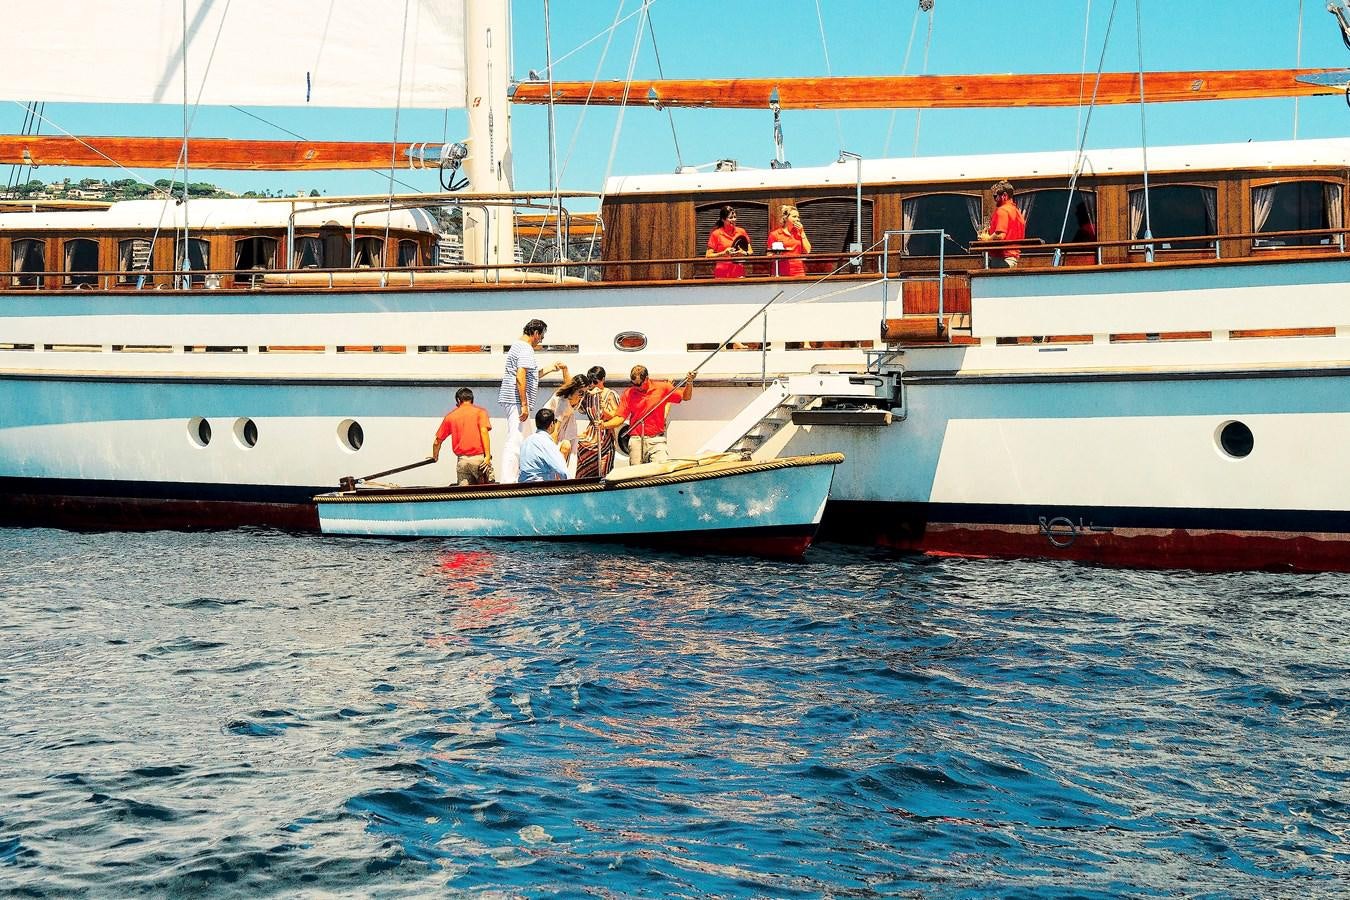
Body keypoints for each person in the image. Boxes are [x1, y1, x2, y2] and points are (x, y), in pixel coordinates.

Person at [496, 318, 566, 482]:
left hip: (513, 398)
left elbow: (529, 376)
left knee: (525, 439)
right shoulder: (526, 348)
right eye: (541, 337)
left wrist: (550, 368)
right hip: (517, 400)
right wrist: (524, 405)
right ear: (535, 333)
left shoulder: (517, 346)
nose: (540, 341)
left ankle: (523, 477)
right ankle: (508, 480)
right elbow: (521, 376)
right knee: (516, 438)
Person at [601, 365, 695, 467]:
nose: (637, 387)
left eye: (639, 384)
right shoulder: (629, 393)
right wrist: (603, 425)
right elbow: (619, 418)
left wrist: (689, 382)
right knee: (636, 476)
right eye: (634, 384)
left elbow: (686, 397)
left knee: (661, 470)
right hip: (636, 440)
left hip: (656, 440)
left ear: (646, 378)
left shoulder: (663, 387)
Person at [431, 387, 493, 485]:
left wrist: (435, 456)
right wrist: (488, 456)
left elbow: (437, 442)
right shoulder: (480, 412)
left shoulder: (450, 416)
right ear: (472, 399)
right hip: (479, 459)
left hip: (462, 461)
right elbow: (484, 432)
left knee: (464, 495)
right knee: (486, 492)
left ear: (458, 400)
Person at [576, 365, 620, 478]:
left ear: (603, 380)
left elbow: (616, 416)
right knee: (577, 444)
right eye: (590, 381)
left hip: (604, 432)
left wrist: (602, 407)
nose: (592, 385)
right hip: (591, 432)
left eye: (595, 381)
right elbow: (578, 408)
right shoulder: (587, 395)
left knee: (604, 470)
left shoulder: (610, 394)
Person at [546, 373, 590, 477]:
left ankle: (564, 477)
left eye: (584, 392)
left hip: (568, 423)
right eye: (580, 392)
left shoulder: (579, 395)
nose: (582, 395)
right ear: (574, 389)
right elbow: (556, 425)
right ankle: (556, 477)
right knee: (562, 448)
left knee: (570, 449)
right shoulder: (563, 401)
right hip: (551, 423)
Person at [978, 180, 1027, 268]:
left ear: (1004, 196)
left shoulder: (1002, 210)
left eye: (995, 196)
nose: (995, 199)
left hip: (1002, 259)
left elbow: (1000, 235)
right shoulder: (1017, 211)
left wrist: (987, 239)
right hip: (1013, 259)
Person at [518, 408, 570, 482]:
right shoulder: (547, 443)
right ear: (551, 424)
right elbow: (563, 471)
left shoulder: (526, 441)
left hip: (523, 488)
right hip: (541, 489)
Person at [705, 205, 751, 278]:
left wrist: (744, 253)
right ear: (723, 219)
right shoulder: (716, 234)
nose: (734, 220)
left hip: (739, 272)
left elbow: (750, 251)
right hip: (722, 273)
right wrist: (723, 253)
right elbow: (708, 256)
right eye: (730, 218)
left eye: (735, 217)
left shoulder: (742, 231)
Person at [767, 204, 812, 277]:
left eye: (798, 217)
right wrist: (780, 253)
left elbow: (808, 250)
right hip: (781, 272)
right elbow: (769, 255)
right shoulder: (775, 234)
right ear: (785, 218)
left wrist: (802, 232)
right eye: (794, 216)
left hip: (798, 271)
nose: (798, 219)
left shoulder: (798, 233)